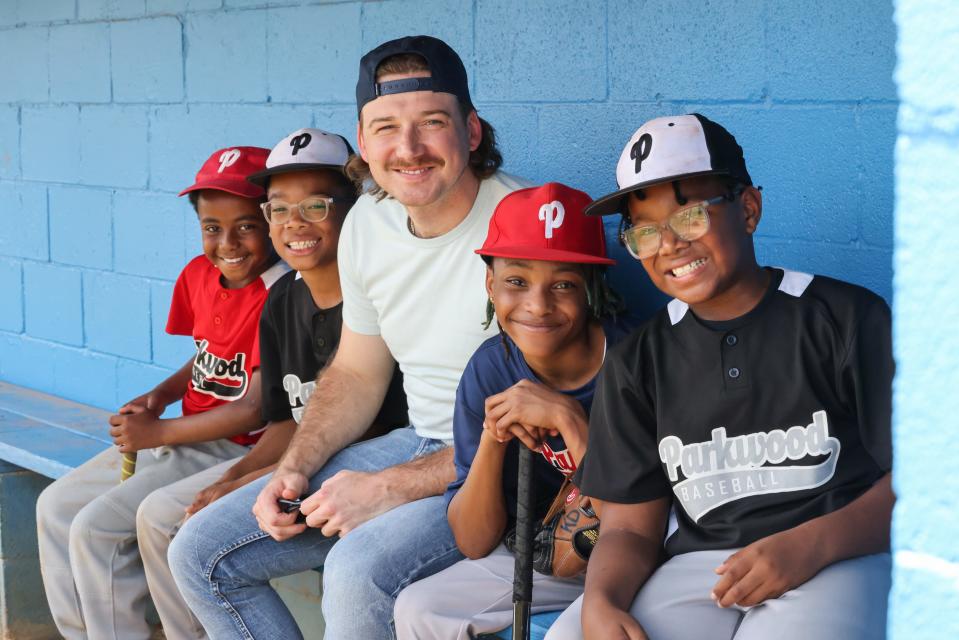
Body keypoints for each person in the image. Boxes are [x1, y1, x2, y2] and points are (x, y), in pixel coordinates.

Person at [168, 35, 529, 639]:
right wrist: (294, 466)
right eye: (385, 128)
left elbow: (538, 419)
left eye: (431, 123)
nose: (408, 149)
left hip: (502, 467)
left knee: (357, 568)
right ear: (364, 142)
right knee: (200, 552)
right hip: (418, 440)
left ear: (471, 131)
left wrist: (389, 488)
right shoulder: (369, 221)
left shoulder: (519, 219)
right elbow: (358, 371)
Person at [547, 114, 894, 640]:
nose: (667, 245)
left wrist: (813, 544)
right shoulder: (637, 359)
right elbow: (629, 526)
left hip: (838, 550)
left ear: (748, 209)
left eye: (689, 217)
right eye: (643, 232)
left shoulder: (844, 318)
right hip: (702, 567)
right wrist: (600, 600)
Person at [134, 128, 409, 639]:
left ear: (358, 208)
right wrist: (233, 481)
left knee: (204, 549)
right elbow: (285, 426)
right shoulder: (284, 300)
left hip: (373, 492)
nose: (294, 224)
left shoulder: (383, 300)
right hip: (305, 483)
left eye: (317, 206)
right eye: (278, 209)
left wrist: (242, 484)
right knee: (192, 537)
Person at [36, 146, 290, 640]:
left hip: (237, 446)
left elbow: (254, 408)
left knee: (96, 529)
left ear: (271, 220)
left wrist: (158, 431)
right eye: (212, 226)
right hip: (181, 434)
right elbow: (209, 355)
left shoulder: (281, 291)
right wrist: (159, 395)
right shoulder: (199, 273)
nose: (228, 242)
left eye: (246, 225)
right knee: (55, 506)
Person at [393, 182, 631, 639]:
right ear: (490, 283)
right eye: (516, 282)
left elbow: (639, 524)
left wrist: (569, 421)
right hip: (547, 558)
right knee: (420, 608)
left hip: (636, 556)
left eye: (563, 284)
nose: (537, 306)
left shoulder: (635, 358)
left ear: (591, 290)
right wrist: (492, 437)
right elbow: (474, 540)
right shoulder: (490, 369)